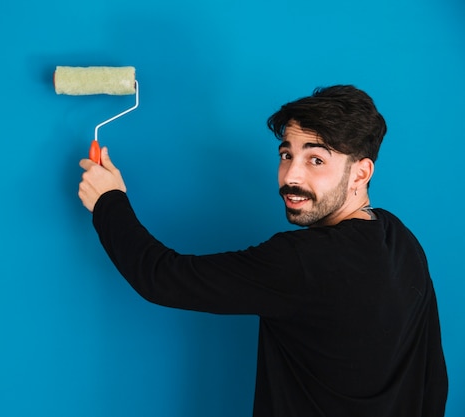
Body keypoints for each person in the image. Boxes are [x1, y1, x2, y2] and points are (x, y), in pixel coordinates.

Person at [77, 85, 448, 417]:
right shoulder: (400, 238)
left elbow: (160, 277)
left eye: (315, 160)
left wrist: (108, 202)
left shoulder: (301, 260)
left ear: (360, 173)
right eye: (287, 155)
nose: (291, 177)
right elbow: (433, 380)